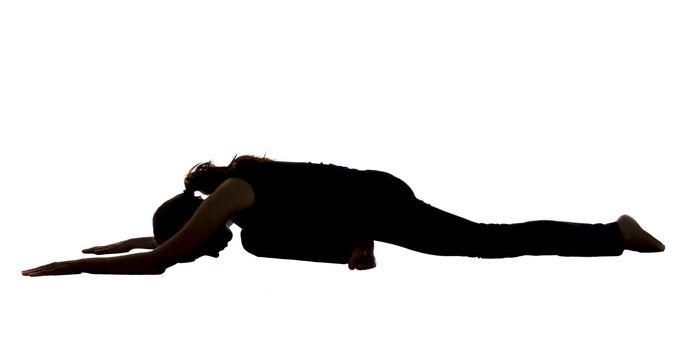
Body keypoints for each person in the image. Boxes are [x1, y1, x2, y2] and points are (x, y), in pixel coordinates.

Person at [22, 154, 665, 277]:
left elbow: (164, 255)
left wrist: (68, 270)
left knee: (481, 243)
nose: (206, 251)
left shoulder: (233, 197)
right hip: (364, 199)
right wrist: (108, 247)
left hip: (369, 200)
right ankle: (355, 245)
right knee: (259, 244)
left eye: (203, 246)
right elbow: (164, 241)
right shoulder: (234, 211)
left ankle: (614, 232)